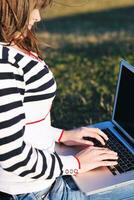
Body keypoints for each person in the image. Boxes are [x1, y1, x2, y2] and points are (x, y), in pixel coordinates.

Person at [0, 0, 132, 199]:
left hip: (43, 175)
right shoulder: (5, 64)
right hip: (35, 191)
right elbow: (12, 155)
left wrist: (62, 136)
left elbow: (16, 125)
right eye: (33, 8)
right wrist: (75, 165)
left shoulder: (10, 47)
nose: (38, 17)